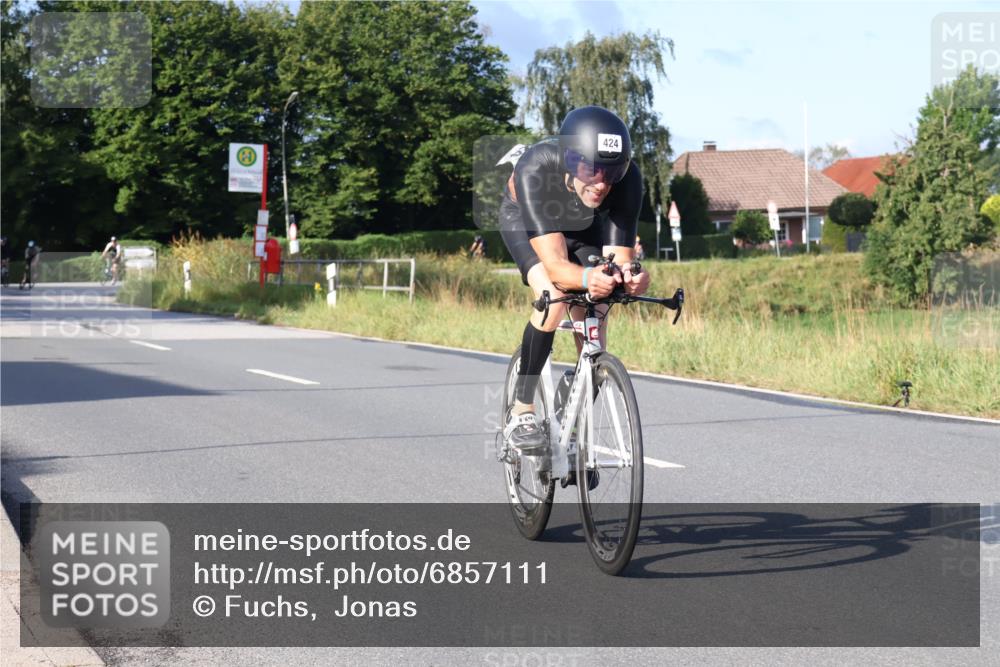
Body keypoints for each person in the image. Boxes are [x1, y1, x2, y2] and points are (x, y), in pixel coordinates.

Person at [498, 105, 650, 453]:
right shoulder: (537, 166)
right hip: (525, 219)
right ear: (569, 161)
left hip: (583, 226)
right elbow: (554, 264)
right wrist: (584, 276)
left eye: (612, 172)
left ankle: (574, 419)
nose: (601, 183)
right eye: (591, 168)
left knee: (597, 310)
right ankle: (522, 411)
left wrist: (632, 276)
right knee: (553, 297)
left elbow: (621, 259)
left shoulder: (624, 183)